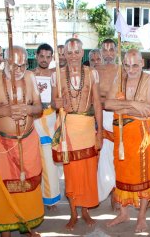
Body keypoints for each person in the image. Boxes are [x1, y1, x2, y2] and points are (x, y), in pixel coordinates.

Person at [0, 45, 44, 237]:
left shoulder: (30, 77)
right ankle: (5, 231)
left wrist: (27, 109)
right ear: (5, 62)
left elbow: (39, 108)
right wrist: (5, 111)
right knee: (4, 188)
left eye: (23, 65)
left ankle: (27, 225)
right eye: (15, 65)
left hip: (28, 140)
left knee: (29, 186)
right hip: (1, 144)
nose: (20, 70)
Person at [51, 38, 103, 230]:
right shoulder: (56, 75)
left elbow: (97, 103)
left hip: (87, 128)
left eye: (76, 52)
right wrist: (55, 104)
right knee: (71, 174)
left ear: (82, 53)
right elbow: (52, 102)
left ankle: (85, 210)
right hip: (68, 130)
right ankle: (73, 212)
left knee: (89, 172)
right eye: (69, 52)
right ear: (64, 54)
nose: (73, 56)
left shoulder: (92, 74)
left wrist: (100, 134)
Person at [105, 48, 150, 233]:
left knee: (143, 176)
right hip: (121, 135)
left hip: (142, 135)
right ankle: (124, 213)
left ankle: (141, 217)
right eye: (127, 65)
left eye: (135, 65)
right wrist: (134, 104)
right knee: (122, 172)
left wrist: (123, 107)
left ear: (142, 63)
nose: (131, 69)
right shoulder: (119, 78)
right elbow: (108, 104)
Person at [31, 43, 61, 210]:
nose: (44, 60)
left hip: (50, 119)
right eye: (41, 56)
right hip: (34, 119)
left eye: (48, 57)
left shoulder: (54, 75)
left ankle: (50, 198)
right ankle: (35, 196)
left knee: (50, 162)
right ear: (36, 56)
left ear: (51, 58)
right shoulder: (29, 75)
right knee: (34, 160)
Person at [96, 39, 118, 206]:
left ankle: (117, 194)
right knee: (104, 156)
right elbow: (93, 98)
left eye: (112, 49)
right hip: (102, 116)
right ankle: (106, 189)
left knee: (118, 156)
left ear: (116, 51)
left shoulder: (123, 70)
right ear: (101, 52)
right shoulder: (95, 71)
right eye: (105, 50)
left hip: (119, 116)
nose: (109, 53)